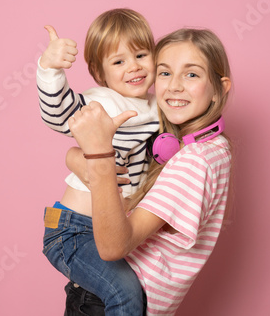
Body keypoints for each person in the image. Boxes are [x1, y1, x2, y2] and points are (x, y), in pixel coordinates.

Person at [67, 28, 233, 316]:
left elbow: (112, 247)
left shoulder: (193, 160)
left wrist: (99, 154)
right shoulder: (214, 147)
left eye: (191, 74)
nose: (174, 86)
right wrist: (76, 158)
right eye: (165, 73)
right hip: (112, 295)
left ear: (221, 87)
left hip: (112, 301)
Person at [38, 8, 159, 315]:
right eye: (119, 61)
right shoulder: (103, 102)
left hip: (113, 230)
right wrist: (50, 68)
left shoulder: (158, 107)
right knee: (125, 293)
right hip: (73, 230)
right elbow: (60, 114)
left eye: (142, 55)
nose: (134, 67)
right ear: (99, 72)